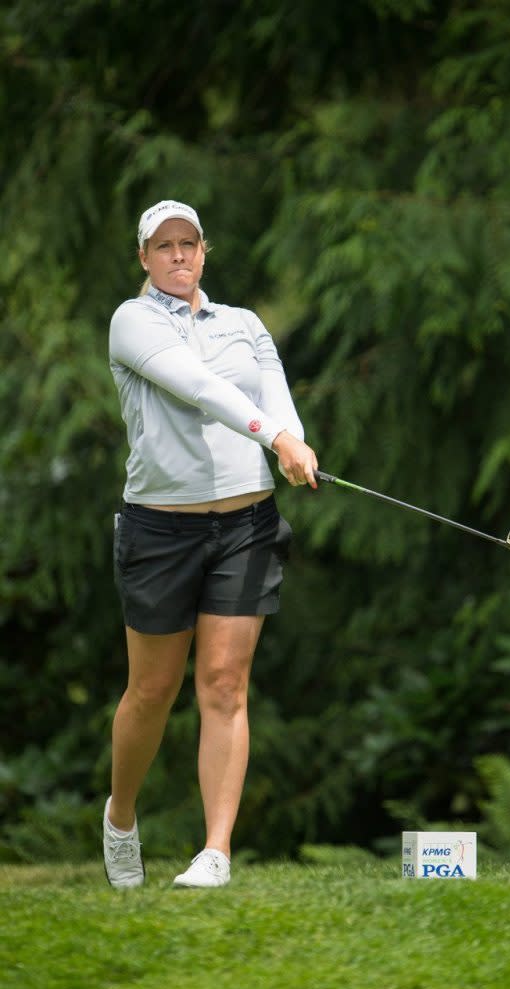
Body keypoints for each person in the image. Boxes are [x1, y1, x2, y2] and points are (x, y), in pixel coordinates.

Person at [104, 199, 318, 889]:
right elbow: (199, 389)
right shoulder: (132, 322)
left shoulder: (243, 324)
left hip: (245, 525)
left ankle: (215, 852)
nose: (177, 256)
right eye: (162, 246)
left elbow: (275, 392)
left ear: (204, 250)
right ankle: (122, 816)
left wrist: (294, 440)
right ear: (144, 257)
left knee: (225, 683)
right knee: (152, 691)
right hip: (161, 528)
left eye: (188, 243)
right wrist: (273, 436)